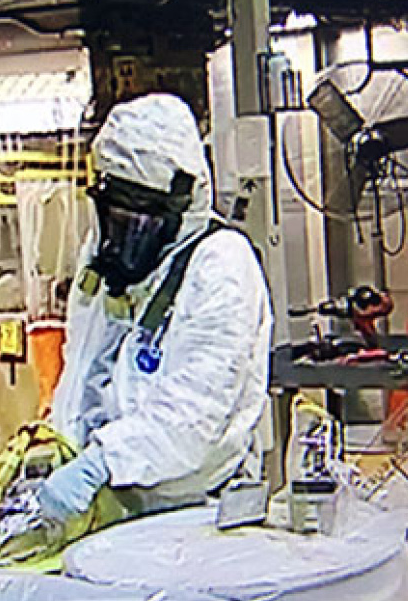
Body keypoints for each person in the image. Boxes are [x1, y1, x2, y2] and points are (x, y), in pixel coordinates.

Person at [37, 93, 273, 520]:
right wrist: (60, 445)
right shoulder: (104, 255)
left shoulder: (220, 265)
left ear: (179, 210)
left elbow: (191, 416)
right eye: (115, 216)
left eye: (138, 221)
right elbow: (84, 366)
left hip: (195, 510)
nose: (121, 238)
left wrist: (99, 463)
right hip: (110, 500)